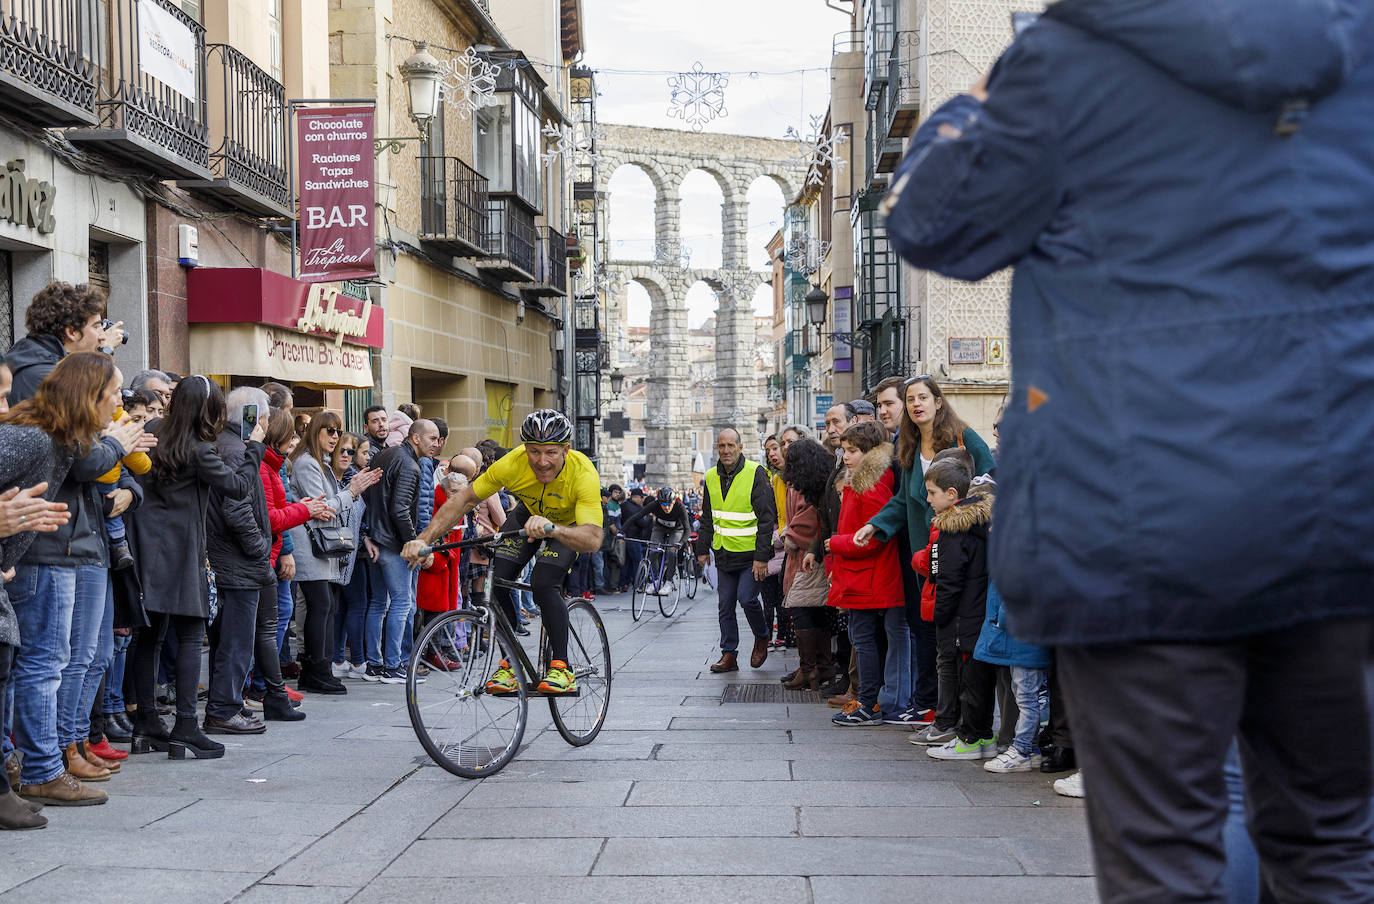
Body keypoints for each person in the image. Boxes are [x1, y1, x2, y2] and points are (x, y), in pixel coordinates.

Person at [886, 5, 1374, 900]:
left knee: (1165, 859)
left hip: (1136, 523)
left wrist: (978, 99)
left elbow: (933, 217)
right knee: (1335, 846)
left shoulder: (1069, 59)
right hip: (1340, 508)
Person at [404, 409, 603, 695]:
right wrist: (424, 540)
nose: (542, 461)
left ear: (566, 449)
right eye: (534, 451)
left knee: (544, 582)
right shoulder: (513, 463)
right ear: (524, 448)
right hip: (529, 513)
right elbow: (464, 500)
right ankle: (510, 665)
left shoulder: (582, 472)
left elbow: (594, 539)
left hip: (569, 525)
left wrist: (553, 529)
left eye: (551, 452)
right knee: (494, 581)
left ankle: (561, 667)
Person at [2, 355, 125, 811]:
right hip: (37, 564)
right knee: (43, 665)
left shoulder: (56, 440)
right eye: (112, 394)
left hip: (21, 562)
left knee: (37, 665)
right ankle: (40, 771)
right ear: (87, 396)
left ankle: (28, 767)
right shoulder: (34, 438)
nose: (116, 406)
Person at [128, 376, 266, 761]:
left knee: (150, 637)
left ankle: (147, 724)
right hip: (184, 549)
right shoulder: (200, 449)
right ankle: (186, 726)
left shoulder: (153, 431)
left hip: (146, 547)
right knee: (190, 635)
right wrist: (254, 446)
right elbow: (238, 487)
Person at [203, 387, 286, 735]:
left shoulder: (227, 445)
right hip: (237, 563)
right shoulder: (238, 451)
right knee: (236, 643)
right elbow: (237, 510)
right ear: (258, 418)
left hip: (230, 560)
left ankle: (226, 706)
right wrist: (258, 550)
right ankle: (224, 709)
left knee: (231, 641)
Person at [287, 411, 380, 693]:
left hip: (320, 546)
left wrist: (349, 493)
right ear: (315, 431)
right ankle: (316, 671)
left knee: (326, 607)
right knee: (321, 607)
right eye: (329, 430)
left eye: (338, 431)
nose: (335, 437)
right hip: (309, 545)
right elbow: (324, 509)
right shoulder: (307, 464)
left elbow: (330, 506)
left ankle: (320, 669)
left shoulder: (320, 464)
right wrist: (351, 492)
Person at [826, 422, 905, 726]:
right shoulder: (860, 481)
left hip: (869, 579)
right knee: (863, 639)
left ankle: (869, 703)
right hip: (862, 577)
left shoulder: (870, 485)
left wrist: (836, 544)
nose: (845, 456)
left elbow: (873, 537)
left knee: (864, 640)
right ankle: (867, 700)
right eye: (843, 450)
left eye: (852, 451)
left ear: (869, 453)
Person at [920, 460, 997, 760]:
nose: (928, 500)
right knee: (980, 677)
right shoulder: (981, 522)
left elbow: (950, 580)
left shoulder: (954, 529)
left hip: (963, 617)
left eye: (931, 493)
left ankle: (969, 738)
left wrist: (941, 616)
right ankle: (984, 735)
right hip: (981, 612)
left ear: (952, 494)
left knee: (968, 678)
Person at [695, 427, 776, 674]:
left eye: (731, 446)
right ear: (717, 449)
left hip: (751, 555)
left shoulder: (755, 473)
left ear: (740, 448)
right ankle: (729, 654)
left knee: (747, 599)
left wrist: (762, 557)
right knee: (725, 605)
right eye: (722, 446)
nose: (726, 450)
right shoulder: (710, 476)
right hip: (724, 553)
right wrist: (702, 548)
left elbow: (766, 518)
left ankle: (762, 636)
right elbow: (707, 516)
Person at [249, 407, 311, 720]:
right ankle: (264, 689)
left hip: (267, 554)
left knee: (271, 623)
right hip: (261, 557)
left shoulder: (271, 465)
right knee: (265, 626)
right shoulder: (261, 466)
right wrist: (305, 510)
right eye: (290, 435)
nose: (294, 440)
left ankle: (270, 689)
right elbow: (270, 516)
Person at [363, 419, 436, 682]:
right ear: (416, 438)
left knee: (379, 603)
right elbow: (400, 509)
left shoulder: (386, 454)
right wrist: (412, 543)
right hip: (393, 543)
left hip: (377, 539)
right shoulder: (408, 463)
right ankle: (393, 666)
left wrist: (369, 533)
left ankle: (375, 664)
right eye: (431, 438)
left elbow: (370, 496)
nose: (436, 444)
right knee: (402, 603)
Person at [777, 437, 834, 691]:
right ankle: (816, 668)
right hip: (806, 553)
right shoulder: (805, 483)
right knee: (812, 611)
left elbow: (810, 517)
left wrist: (790, 534)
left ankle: (812, 669)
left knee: (802, 608)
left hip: (808, 555)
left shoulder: (806, 486)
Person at [5, 282, 124, 405]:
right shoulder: (46, 375)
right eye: (96, 326)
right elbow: (91, 408)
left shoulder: (34, 356)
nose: (103, 336)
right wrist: (106, 353)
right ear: (72, 332)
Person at [329, 432, 371, 680]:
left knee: (344, 606)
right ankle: (356, 661)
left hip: (351, 548)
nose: (347, 455)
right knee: (356, 604)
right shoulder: (348, 480)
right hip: (344, 550)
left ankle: (338, 658)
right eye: (343, 450)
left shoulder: (351, 478)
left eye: (352, 452)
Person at [623, 487, 690, 593]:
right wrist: (621, 531)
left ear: (674, 502)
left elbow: (687, 529)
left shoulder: (680, 507)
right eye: (664, 505)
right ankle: (655, 580)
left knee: (671, 552)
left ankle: (668, 582)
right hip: (659, 529)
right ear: (659, 503)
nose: (667, 508)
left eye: (669, 505)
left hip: (676, 530)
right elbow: (636, 516)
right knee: (653, 551)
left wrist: (680, 543)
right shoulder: (654, 505)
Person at [618, 486, 647, 594]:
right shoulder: (635, 508)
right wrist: (650, 518)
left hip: (627, 537)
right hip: (634, 538)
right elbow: (642, 523)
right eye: (641, 498)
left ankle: (623, 584)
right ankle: (638, 584)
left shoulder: (625, 505)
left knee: (627, 563)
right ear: (636, 497)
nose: (642, 500)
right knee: (636, 562)